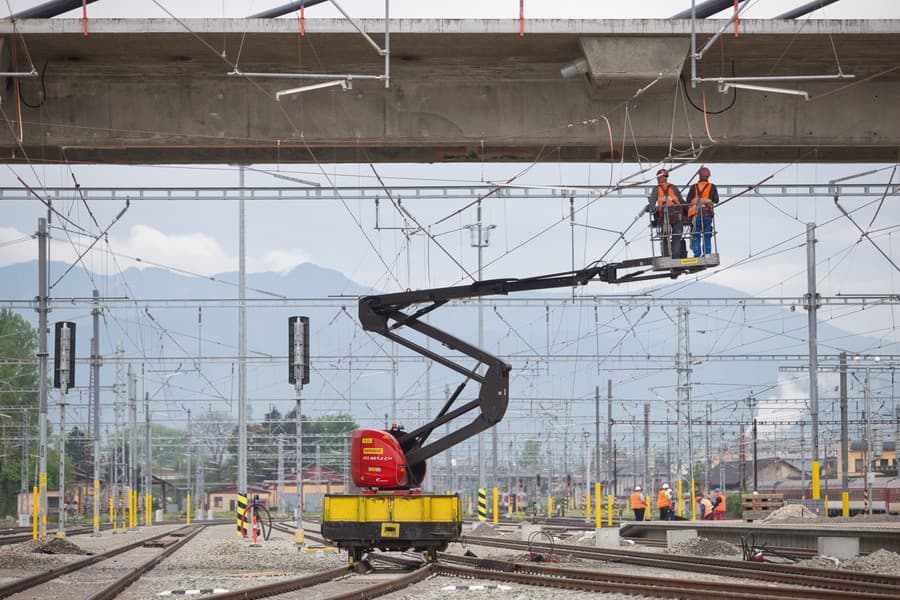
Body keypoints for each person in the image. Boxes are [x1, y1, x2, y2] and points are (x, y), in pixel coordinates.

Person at [648, 168, 686, 258]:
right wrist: (690, 209)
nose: (657, 180)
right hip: (677, 215)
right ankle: (676, 256)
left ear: (661, 177)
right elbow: (681, 201)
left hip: (665, 217)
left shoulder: (656, 189)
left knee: (665, 236)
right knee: (676, 236)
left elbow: (652, 205)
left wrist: (649, 208)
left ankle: (666, 256)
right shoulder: (673, 187)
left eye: (658, 178)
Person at [686, 166, 719, 258]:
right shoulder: (712, 187)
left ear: (699, 176)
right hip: (707, 215)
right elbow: (716, 200)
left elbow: (688, 201)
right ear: (708, 176)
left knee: (696, 235)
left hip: (695, 215)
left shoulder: (694, 187)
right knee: (707, 235)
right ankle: (707, 254)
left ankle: (697, 254)